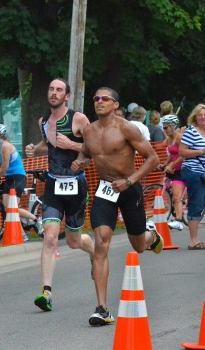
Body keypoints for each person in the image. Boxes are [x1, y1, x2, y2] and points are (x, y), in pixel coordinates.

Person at [71, 87, 163, 326]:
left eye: (105, 99)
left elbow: (153, 159)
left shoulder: (125, 128)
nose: (99, 102)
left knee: (139, 246)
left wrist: (130, 180)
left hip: (129, 188)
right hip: (105, 190)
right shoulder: (89, 130)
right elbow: (85, 154)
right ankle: (101, 308)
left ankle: (151, 236)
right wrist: (79, 163)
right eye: (96, 99)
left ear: (115, 105)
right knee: (101, 243)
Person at [25, 78, 94, 312]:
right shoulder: (43, 121)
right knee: (50, 238)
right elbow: (51, 144)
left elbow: (94, 147)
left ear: (67, 96)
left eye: (59, 90)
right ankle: (46, 293)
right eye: (51, 89)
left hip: (76, 187)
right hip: (53, 186)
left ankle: (93, 251)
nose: (54, 93)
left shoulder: (78, 119)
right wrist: (36, 149)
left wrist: (77, 153)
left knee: (74, 241)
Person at [0, 123, 41, 242]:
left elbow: (4, 167)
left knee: (13, 207)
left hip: (18, 177)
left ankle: (37, 221)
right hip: (9, 178)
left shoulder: (5, 146)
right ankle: (22, 235)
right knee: (7, 208)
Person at [179, 104, 205, 249]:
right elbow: (182, 152)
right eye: (200, 115)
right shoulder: (191, 131)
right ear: (195, 117)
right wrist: (201, 151)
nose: (203, 117)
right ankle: (193, 240)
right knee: (196, 203)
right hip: (194, 171)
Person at [158, 115, 185, 231]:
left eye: (166, 128)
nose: (164, 130)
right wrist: (164, 164)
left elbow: (182, 156)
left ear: (173, 126)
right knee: (174, 195)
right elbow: (171, 155)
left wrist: (171, 165)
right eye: (163, 128)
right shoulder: (169, 139)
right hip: (173, 169)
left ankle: (179, 221)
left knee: (176, 197)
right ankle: (177, 215)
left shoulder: (180, 138)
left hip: (181, 170)